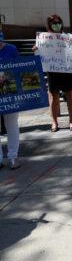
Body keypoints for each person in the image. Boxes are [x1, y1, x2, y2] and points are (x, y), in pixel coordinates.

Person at [33, 15, 72, 132]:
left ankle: (71, 120)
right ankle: (54, 121)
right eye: (54, 23)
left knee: (69, 95)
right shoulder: (44, 38)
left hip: (68, 69)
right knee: (53, 97)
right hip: (53, 70)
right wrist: (37, 49)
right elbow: (40, 53)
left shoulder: (68, 37)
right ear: (49, 25)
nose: (56, 25)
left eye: (58, 23)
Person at [0, 24, 21, 170]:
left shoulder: (11, 49)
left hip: (10, 92)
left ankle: (13, 157)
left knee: (12, 125)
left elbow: (21, 69)